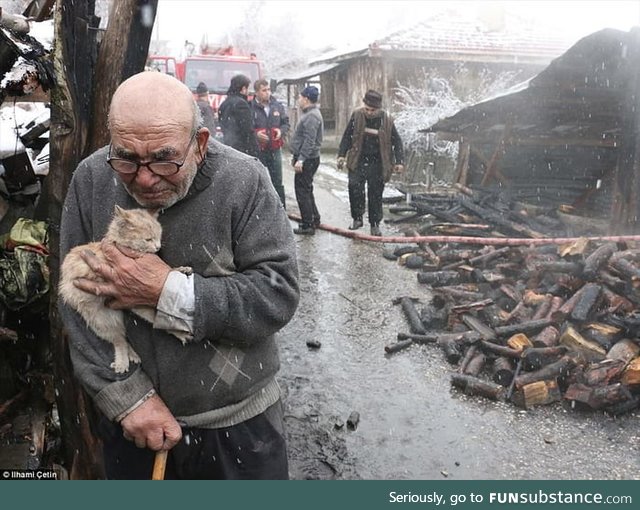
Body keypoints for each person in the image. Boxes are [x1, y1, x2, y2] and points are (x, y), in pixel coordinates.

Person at [58, 71, 299, 480]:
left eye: (164, 158)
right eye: (127, 158)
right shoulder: (92, 178)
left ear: (200, 143)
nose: (145, 177)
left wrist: (167, 291)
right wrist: (127, 399)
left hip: (238, 426)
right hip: (134, 428)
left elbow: (277, 294)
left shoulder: (245, 181)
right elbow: (74, 305)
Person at [337, 89, 404, 236]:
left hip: (378, 163)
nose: (369, 112)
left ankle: (375, 224)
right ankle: (357, 218)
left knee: (375, 194)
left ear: (378, 108)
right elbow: (347, 136)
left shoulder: (386, 120)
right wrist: (341, 155)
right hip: (358, 160)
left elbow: (397, 142)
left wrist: (399, 161)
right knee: (354, 188)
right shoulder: (357, 115)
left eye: (372, 110)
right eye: (367, 109)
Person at [290, 86, 323, 235]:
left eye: (300, 97)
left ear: (306, 99)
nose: (298, 100)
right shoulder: (311, 114)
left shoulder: (311, 116)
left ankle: (308, 225)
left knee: (302, 191)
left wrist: (301, 159)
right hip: (308, 158)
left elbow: (309, 141)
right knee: (307, 189)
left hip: (308, 159)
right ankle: (314, 218)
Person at [251, 79, 289, 207]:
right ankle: (261, 209)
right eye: (264, 90)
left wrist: (281, 131)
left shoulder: (277, 106)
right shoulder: (250, 107)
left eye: (268, 90)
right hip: (258, 150)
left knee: (277, 181)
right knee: (259, 181)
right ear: (256, 92)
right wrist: (256, 135)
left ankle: (281, 209)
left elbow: (285, 123)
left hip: (275, 149)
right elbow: (246, 128)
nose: (267, 93)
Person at [217, 74, 259, 156]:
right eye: (248, 88)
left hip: (228, 147)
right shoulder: (241, 104)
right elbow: (247, 130)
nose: (249, 92)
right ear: (243, 89)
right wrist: (255, 150)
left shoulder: (224, 103)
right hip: (241, 150)